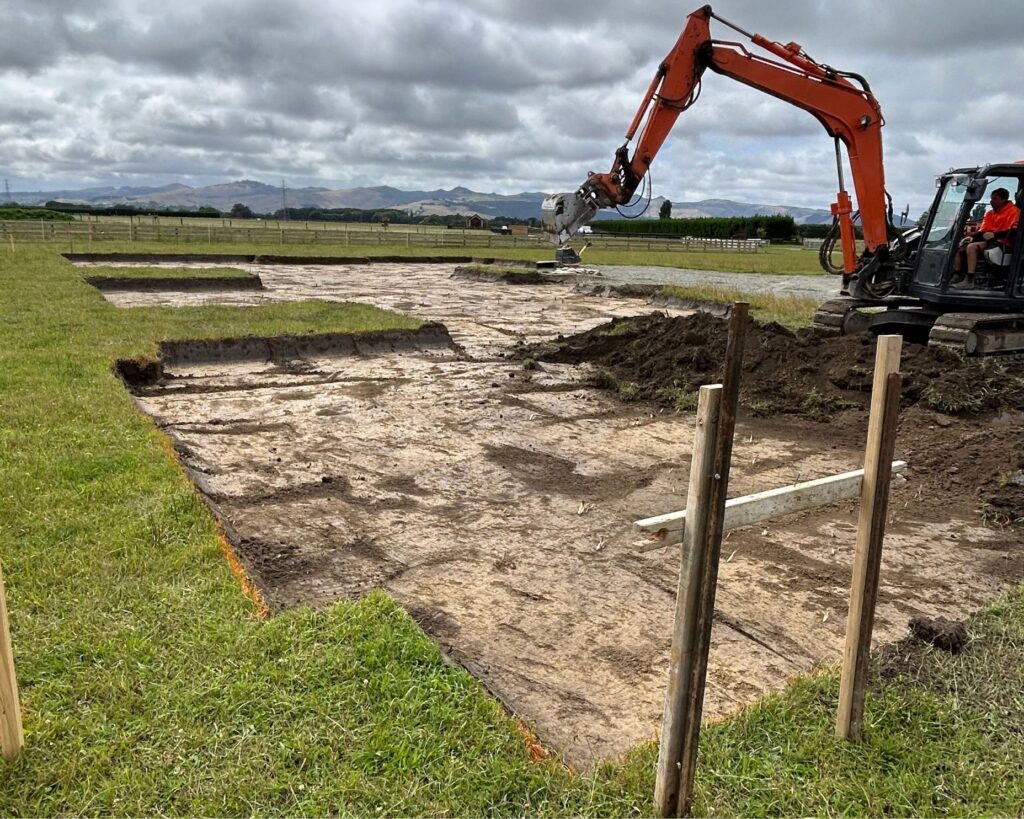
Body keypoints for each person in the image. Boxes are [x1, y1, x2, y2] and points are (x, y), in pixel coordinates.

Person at [952, 188, 1020, 288]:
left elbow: (1015, 231)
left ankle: (970, 280)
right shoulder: (990, 213)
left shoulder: (1014, 212)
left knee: (972, 247)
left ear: (1003, 199)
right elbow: (983, 231)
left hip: (1004, 243)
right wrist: (972, 237)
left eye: (995, 199)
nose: (991, 201)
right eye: (991, 198)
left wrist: (995, 235)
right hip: (989, 242)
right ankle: (957, 274)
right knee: (959, 246)